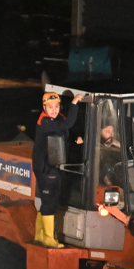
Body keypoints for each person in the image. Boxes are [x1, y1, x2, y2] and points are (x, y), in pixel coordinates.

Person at [32, 91, 84, 248]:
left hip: (51, 166)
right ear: (44, 108)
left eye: (56, 106)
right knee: (50, 202)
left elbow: (65, 128)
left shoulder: (57, 118)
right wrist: (75, 104)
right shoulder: (45, 122)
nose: (54, 110)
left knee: (48, 202)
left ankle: (39, 235)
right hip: (46, 169)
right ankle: (48, 238)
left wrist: (75, 138)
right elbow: (66, 124)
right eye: (50, 107)